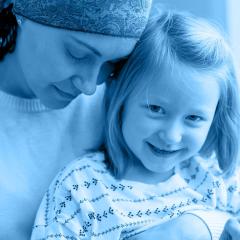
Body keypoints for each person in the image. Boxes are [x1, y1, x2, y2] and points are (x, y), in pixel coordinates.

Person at [31, 10, 240, 240]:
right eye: (155, 109)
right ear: (120, 96)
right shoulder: (81, 187)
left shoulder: (217, 177)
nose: (172, 136)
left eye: (193, 118)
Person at [0, 0, 152, 239]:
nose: (90, 86)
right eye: (78, 54)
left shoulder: (125, 102)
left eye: (112, 63)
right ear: (20, 15)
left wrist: (199, 224)